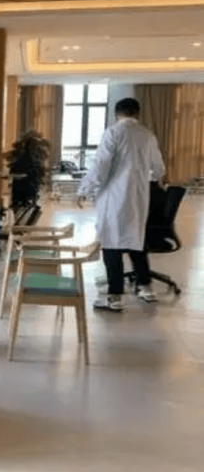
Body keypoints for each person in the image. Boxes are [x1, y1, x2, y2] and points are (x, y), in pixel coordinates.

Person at [76, 97, 165, 312]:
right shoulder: (147, 135)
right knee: (136, 242)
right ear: (137, 113)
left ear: (116, 114)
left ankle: (114, 297)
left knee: (111, 245)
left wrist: (84, 189)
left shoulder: (113, 133)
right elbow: (159, 169)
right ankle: (146, 288)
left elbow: (101, 166)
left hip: (114, 197)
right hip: (139, 198)